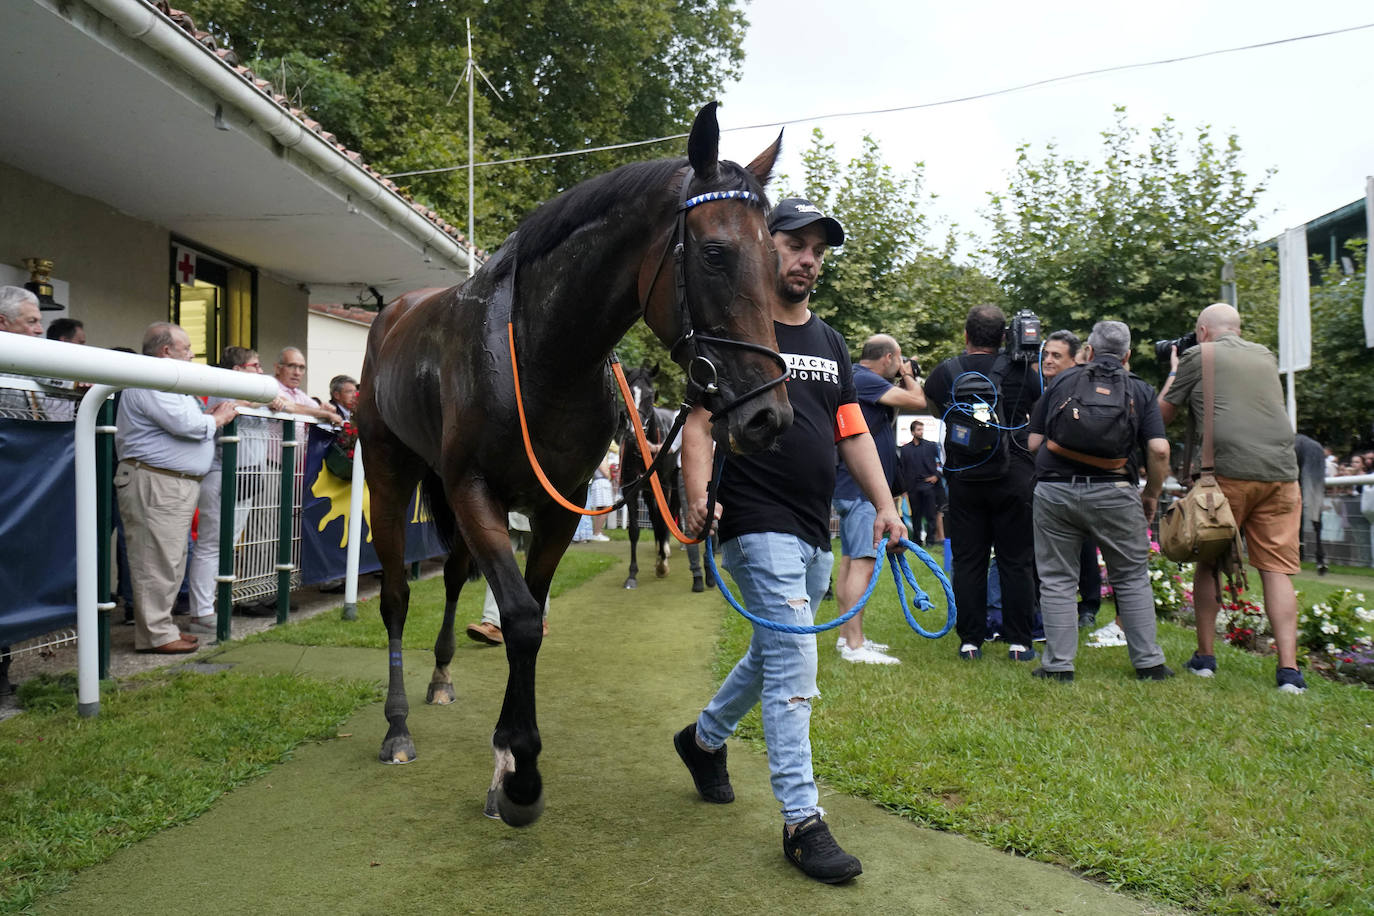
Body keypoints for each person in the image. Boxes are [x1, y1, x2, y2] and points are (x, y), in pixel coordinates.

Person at [673, 198, 904, 884]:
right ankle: (803, 822)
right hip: (754, 518)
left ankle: (703, 739)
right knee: (796, 659)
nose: (808, 259)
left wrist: (886, 506)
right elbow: (695, 422)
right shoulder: (733, 329)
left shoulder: (831, 341)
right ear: (761, 246)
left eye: (818, 251)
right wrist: (695, 495)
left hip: (814, 527)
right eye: (796, 244)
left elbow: (852, 431)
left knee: (773, 651)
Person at [1159, 302, 1307, 693]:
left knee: (1208, 560)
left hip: (1226, 474)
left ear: (1203, 331)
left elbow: (1161, 415)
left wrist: (1174, 370)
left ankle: (1205, 658)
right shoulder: (1265, 355)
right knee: (1276, 570)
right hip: (1282, 475)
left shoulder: (1197, 355)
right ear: (1237, 329)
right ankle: (1289, 672)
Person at [1027, 321, 1173, 681]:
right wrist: (1151, 493)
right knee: (1131, 576)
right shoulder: (1138, 388)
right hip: (1116, 492)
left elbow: (1032, 443)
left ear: (1087, 352)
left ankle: (1058, 666)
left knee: (1058, 578)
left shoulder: (1062, 381)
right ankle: (1149, 664)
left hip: (1056, 490)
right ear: (1127, 356)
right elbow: (1158, 448)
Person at [922, 305, 1041, 662]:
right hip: (1015, 477)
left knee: (969, 560)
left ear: (966, 335)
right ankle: (1019, 641)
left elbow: (934, 409)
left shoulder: (946, 371)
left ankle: (970, 641)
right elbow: (1037, 408)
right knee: (1016, 561)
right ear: (1005, 336)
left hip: (964, 478)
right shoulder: (1024, 370)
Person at [114, 322, 238, 653]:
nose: (192, 354)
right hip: (155, 481)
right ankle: (156, 634)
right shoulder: (151, 377)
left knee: (170, 559)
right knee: (156, 561)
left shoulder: (170, 383)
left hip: (170, 483)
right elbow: (186, 425)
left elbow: (190, 421)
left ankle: (162, 627)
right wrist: (218, 419)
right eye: (186, 348)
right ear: (166, 351)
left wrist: (208, 417)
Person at [832, 334, 926, 665]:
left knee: (850, 561)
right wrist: (909, 375)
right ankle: (855, 646)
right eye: (897, 360)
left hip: (852, 487)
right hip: (862, 491)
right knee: (863, 562)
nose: (900, 366)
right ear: (887, 358)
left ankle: (847, 639)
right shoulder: (865, 379)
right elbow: (918, 401)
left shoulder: (860, 380)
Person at [184, 347, 287, 635]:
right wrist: (265, 399)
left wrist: (316, 410)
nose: (260, 370)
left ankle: (212, 604)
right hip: (222, 473)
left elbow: (287, 406)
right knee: (211, 545)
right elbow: (232, 406)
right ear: (238, 370)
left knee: (226, 545)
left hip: (249, 475)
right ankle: (201, 613)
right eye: (255, 365)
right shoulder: (222, 386)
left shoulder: (256, 393)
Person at [1040, 329, 1103, 630]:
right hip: (1047, 482)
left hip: (1080, 480)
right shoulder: (1040, 387)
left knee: (1085, 547)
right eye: (1046, 354)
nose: (1048, 360)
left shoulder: (1084, 387)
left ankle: (1088, 606)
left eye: (1056, 356)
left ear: (1074, 359)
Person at [274, 347, 343, 425]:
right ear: (277, 368)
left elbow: (314, 409)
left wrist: (324, 409)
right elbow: (292, 407)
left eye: (301, 368)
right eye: (291, 366)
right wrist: (325, 414)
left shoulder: (298, 393)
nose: (297, 373)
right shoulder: (270, 386)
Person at [897, 420, 939, 547]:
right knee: (916, 515)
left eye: (922, 429)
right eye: (918, 430)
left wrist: (936, 476)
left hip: (928, 485)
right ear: (912, 432)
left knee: (931, 514)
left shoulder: (931, 446)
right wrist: (903, 489)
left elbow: (941, 462)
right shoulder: (905, 449)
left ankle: (931, 541)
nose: (921, 432)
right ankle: (917, 541)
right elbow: (902, 470)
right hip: (913, 487)